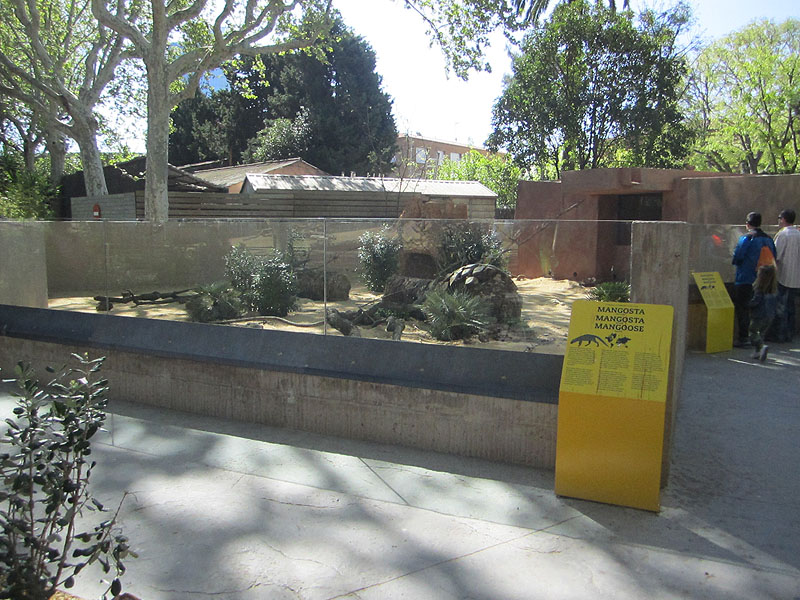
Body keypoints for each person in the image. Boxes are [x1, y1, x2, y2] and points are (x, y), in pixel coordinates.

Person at [731, 212, 776, 346]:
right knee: (759, 310)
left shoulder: (746, 238)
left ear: (748, 224)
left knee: (743, 308)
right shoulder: (768, 239)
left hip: (745, 278)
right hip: (764, 280)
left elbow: (738, 257)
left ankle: (743, 338)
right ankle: (757, 338)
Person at [773, 209, 800, 342]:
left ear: (783, 219)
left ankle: (780, 334)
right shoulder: (798, 234)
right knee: (791, 306)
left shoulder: (783, 235)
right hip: (796, 277)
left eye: (779, 218)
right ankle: (790, 332)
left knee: (780, 307)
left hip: (783, 276)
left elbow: (776, 255)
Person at [748, 264, 779, 361]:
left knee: (752, 332)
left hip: (759, 315)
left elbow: (755, 302)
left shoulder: (759, 290)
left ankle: (761, 346)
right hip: (770, 315)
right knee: (761, 333)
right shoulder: (774, 291)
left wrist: (748, 304)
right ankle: (758, 352)